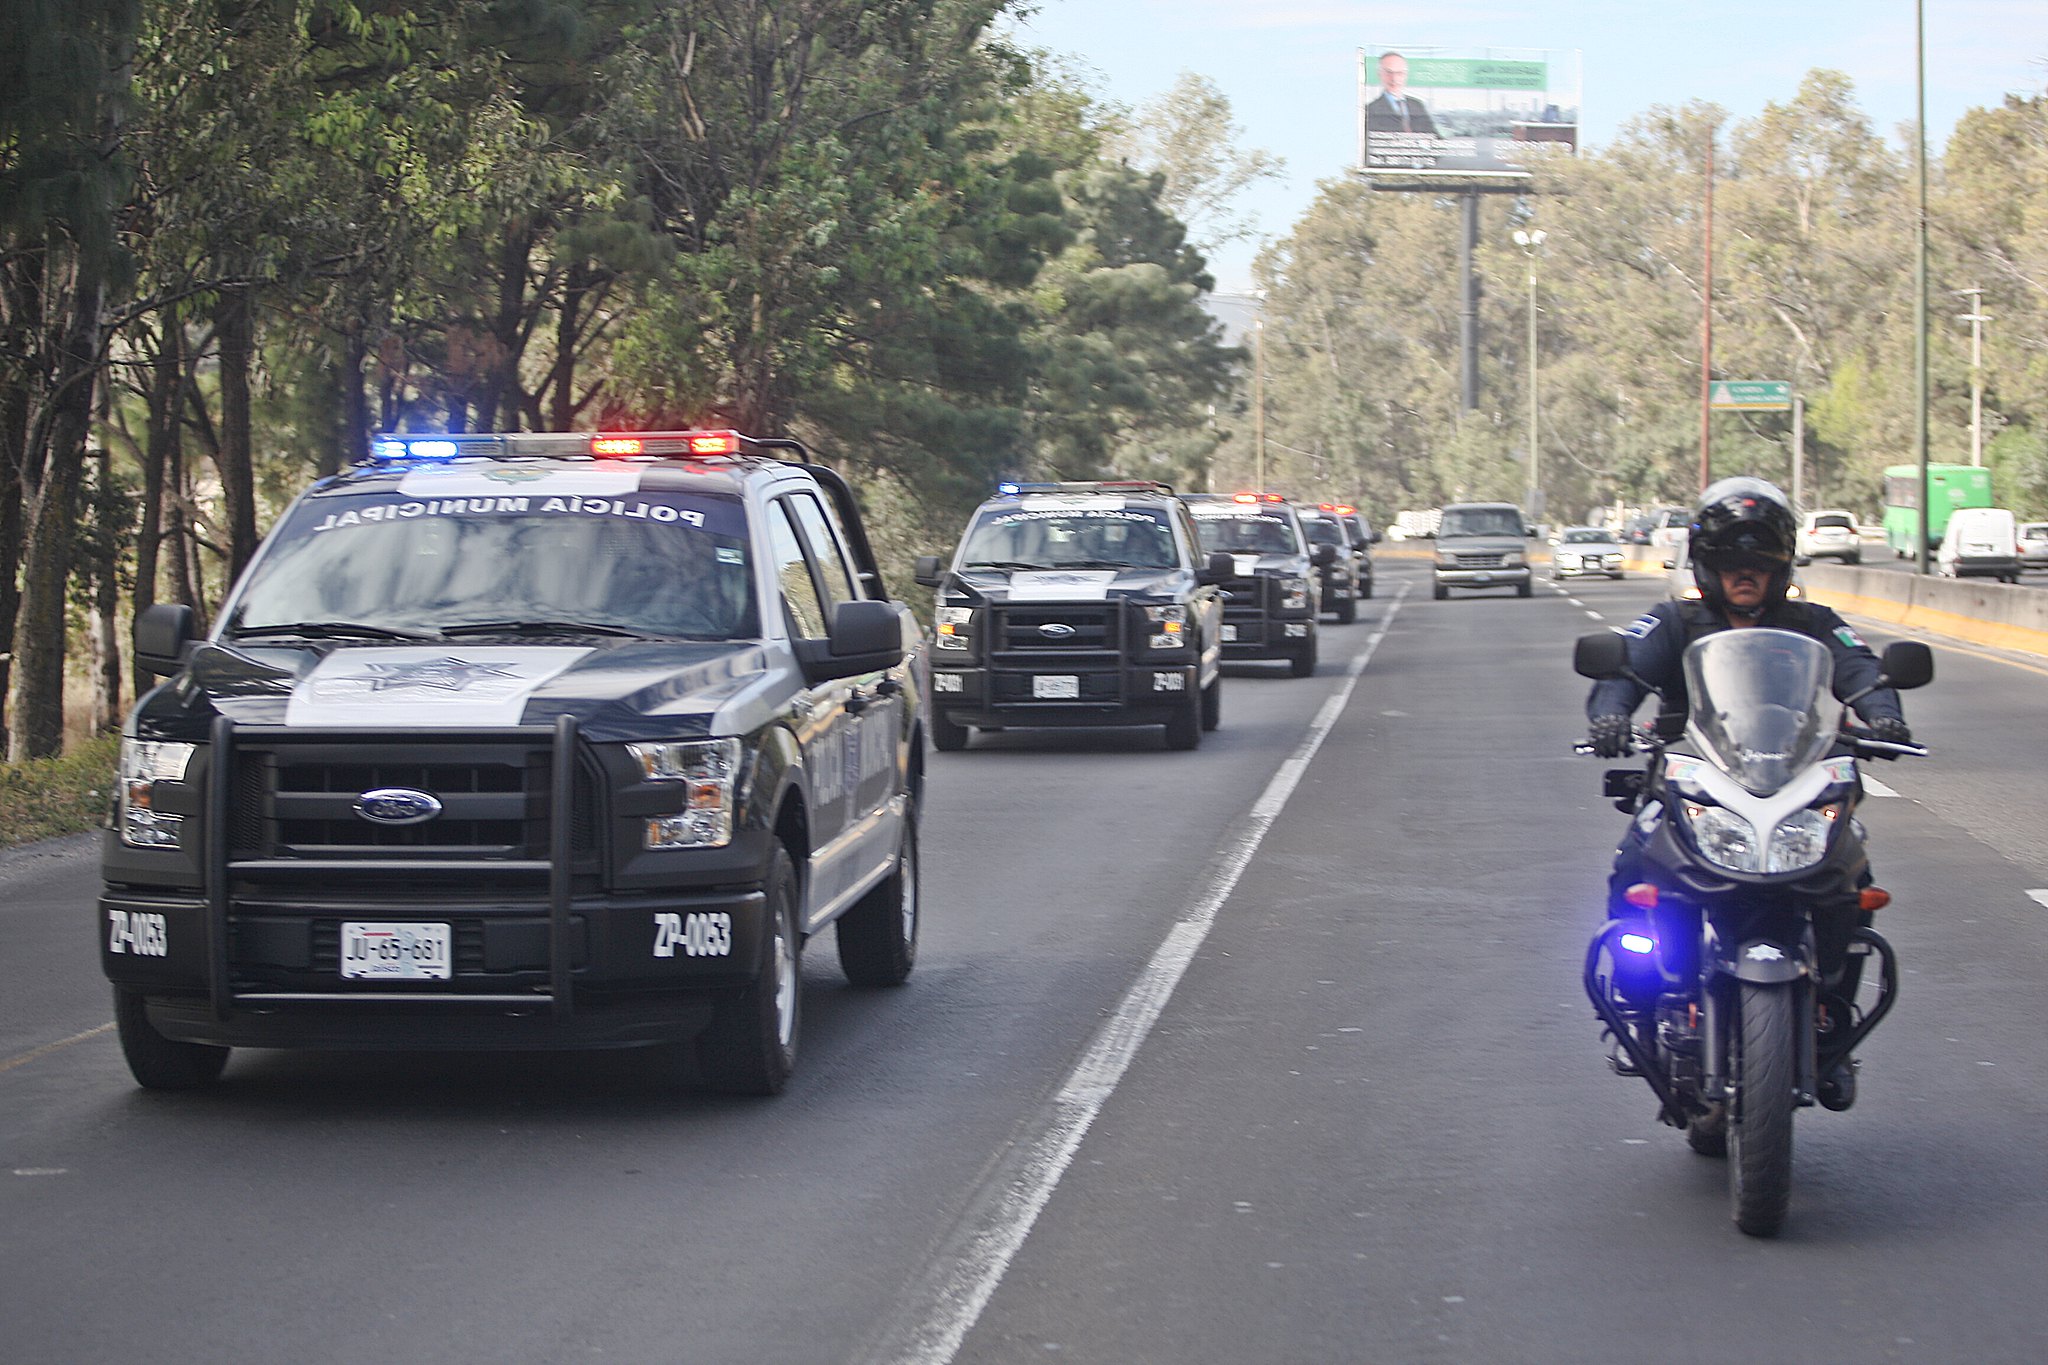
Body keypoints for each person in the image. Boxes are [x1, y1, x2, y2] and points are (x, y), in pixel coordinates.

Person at [1584, 477, 1910, 1109]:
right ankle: (1644, 999)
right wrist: (1610, 715)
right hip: (1694, 777)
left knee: (1853, 870)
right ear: (1708, 564)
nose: (1746, 574)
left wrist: (1883, 712)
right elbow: (1621, 666)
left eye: (1760, 563)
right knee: (1632, 867)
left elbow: (1860, 666)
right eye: (1733, 562)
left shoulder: (1811, 622)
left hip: (1793, 782)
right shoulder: (1675, 621)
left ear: (1781, 565)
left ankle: (1830, 1012)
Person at [1365, 52, 1439, 135]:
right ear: (1379, 74)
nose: (1394, 79)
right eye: (1389, 73)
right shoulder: (1370, 110)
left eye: (1399, 73)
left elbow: (1434, 136)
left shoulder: (1417, 105)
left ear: (1406, 75)